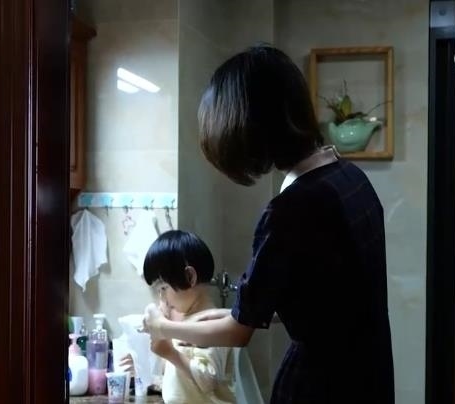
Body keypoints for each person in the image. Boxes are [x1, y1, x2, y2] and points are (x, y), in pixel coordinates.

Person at [141, 44, 395, 403]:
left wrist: (162, 327)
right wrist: (218, 315)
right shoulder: (351, 179)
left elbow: (239, 332)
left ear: (248, 128)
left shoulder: (292, 209)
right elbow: (321, 297)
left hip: (320, 387)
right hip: (369, 374)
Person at [121, 230, 236, 404]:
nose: (162, 298)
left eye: (163, 288)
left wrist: (170, 353)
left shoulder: (210, 323)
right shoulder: (186, 322)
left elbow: (209, 380)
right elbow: (181, 378)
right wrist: (143, 367)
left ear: (190, 277)